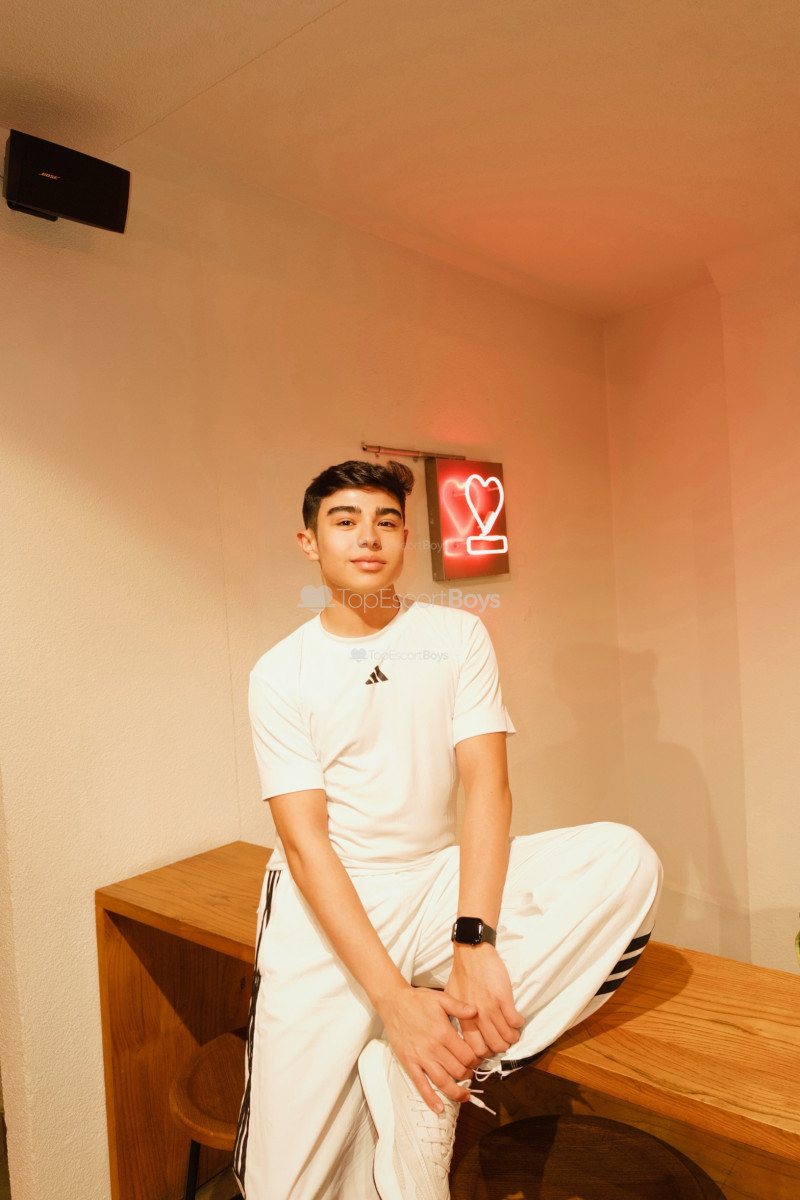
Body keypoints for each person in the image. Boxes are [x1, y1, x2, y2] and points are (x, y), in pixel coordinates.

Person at [234, 459, 662, 1200]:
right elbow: (306, 845)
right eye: (344, 521)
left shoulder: (455, 636)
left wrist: (473, 939)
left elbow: (487, 787)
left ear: (406, 538)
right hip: (326, 906)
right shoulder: (281, 672)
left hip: (435, 882)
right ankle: (415, 1048)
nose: (368, 537)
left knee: (625, 862)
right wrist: (394, 1002)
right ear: (309, 542)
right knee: (287, 1188)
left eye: (387, 521)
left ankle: (442, 1065)